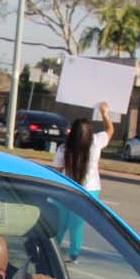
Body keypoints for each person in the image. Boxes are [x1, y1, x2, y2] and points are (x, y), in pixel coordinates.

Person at [54, 101, 114, 261]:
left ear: (72, 132)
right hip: (90, 190)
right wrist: (104, 113)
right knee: (77, 225)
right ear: (90, 132)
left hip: (66, 189)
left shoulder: (64, 148)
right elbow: (110, 130)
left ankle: (53, 252)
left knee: (61, 222)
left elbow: (57, 171)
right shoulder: (96, 142)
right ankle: (74, 254)